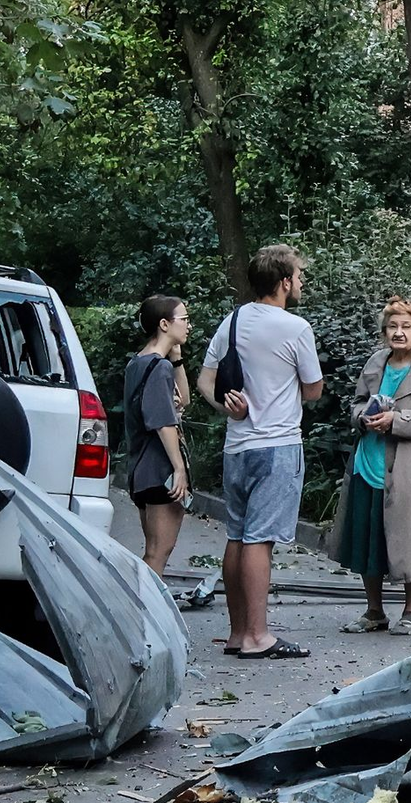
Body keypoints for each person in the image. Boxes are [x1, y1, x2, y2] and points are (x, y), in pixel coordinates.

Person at [197, 245, 323, 660]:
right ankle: (258, 636)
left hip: (237, 446)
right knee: (260, 540)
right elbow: (314, 390)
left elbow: (205, 382)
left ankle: (237, 633)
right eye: (299, 276)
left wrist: (226, 406)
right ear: (284, 281)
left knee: (236, 534)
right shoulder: (295, 328)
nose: (301, 283)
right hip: (277, 445)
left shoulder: (231, 321)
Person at [327, 296, 411, 635]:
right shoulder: (375, 363)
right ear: (384, 331)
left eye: (405, 326)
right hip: (367, 463)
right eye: (392, 327)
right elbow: (356, 404)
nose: (398, 333)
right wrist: (363, 418)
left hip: (408, 469)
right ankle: (374, 611)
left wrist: (397, 420)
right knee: (367, 540)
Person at [124, 295, 192, 577]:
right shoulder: (158, 367)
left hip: (140, 470)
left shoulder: (139, 363)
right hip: (160, 470)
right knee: (158, 553)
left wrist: (176, 358)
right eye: (184, 319)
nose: (189, 326)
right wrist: (179, 468)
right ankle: (144, 617)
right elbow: (163, 422)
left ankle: (142, 615)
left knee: (153, 549)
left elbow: (183, 400)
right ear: (164, 324)